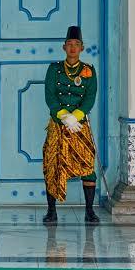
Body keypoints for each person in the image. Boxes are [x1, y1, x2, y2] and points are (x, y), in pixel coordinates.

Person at [42, 26, 100, 225]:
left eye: (76, 45)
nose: (73, 48)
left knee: (87, 166)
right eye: (69, 45)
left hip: (79, 126)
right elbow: (50, 97)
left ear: (82, 48)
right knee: (53, 164)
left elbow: (90, 98)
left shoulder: (88, 71)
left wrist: (75, 117)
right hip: (58, 124)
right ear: (63, 47)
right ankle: (51, 211)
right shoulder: (54, 69)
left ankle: (90, 211)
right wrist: (63, 116)